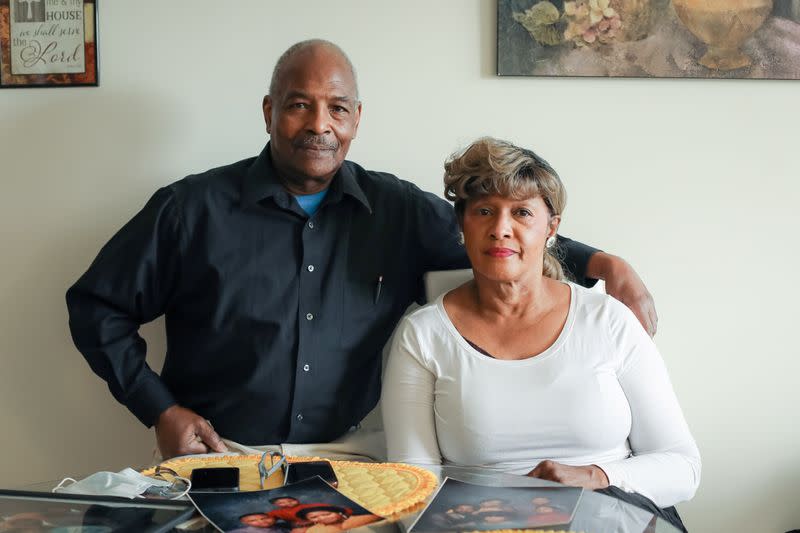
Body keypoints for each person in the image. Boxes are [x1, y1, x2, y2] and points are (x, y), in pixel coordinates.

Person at [66, 39, 656, 460]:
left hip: (354, 461)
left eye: (337, 108)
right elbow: (96, 307)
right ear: (270, 112)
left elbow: (496, 228)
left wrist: (603, 263)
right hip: (219, 457)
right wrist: (161, 410)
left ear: (356, 119)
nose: (318, 124)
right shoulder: (189, 210)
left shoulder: (397, 210)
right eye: (299, 104)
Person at [380, 138, 700, 532]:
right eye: (483, 211)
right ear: (462, 224)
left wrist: (594, 475)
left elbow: (682, 466)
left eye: (521, 213)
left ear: (552, 228)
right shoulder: (422, 336)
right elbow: (413, 487)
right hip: (482, 523)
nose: (501, 229)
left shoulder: (608, 321)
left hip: (615, 511)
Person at [292, 506, 379, 533]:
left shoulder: (366, 518)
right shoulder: (313, 530)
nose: (322, 518)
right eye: (314, 517)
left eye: (327, 514)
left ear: (339, 513)